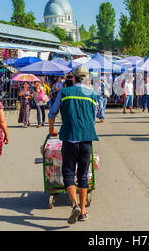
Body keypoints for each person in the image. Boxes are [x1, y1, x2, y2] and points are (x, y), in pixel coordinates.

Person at [48, 66, 98, 224]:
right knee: (83, 175)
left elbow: (52, 113)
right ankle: (83, 212)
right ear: (87, 79)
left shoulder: (64, 93)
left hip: (69, 139)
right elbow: (94, 117)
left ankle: (75, 205)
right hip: (86, 139)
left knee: (68, 173)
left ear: (74, 78)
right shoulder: (92, 94)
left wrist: (51, 130)